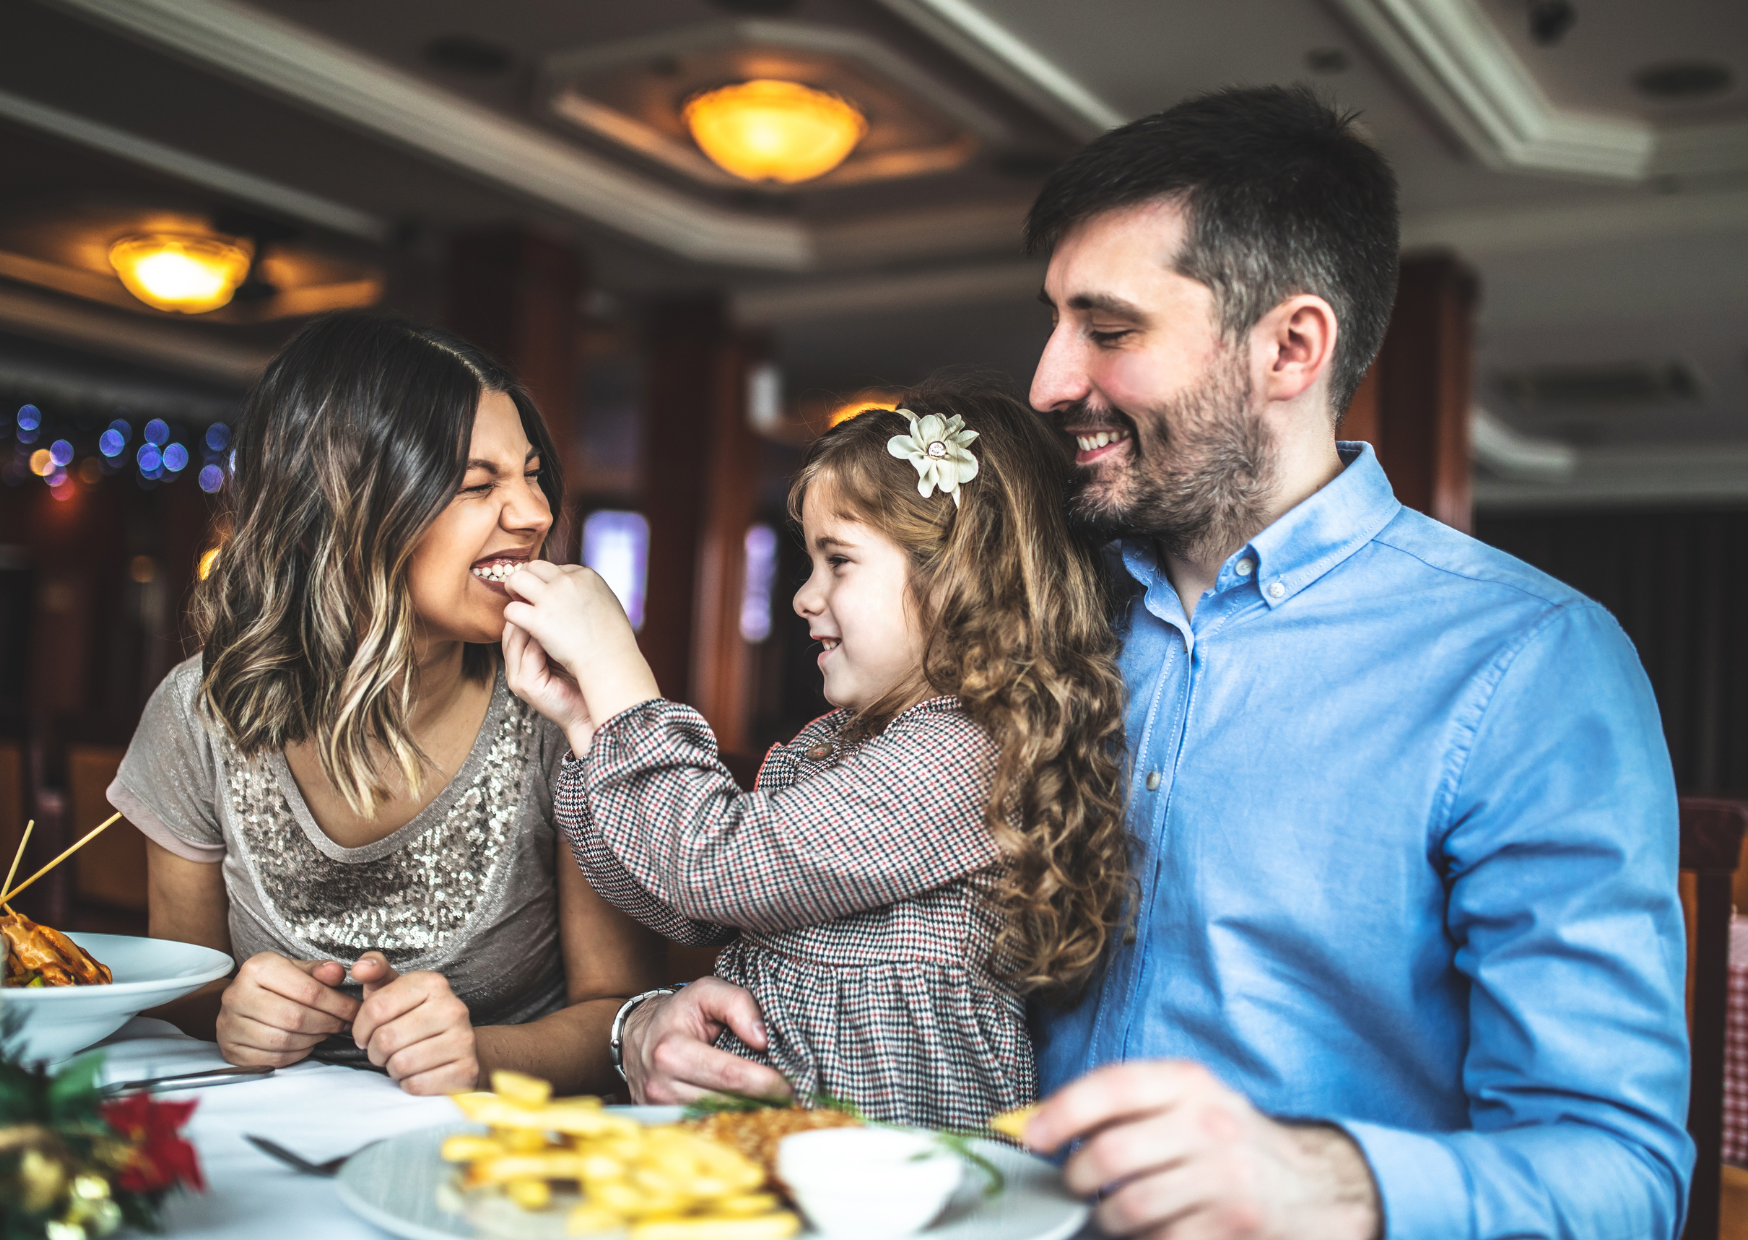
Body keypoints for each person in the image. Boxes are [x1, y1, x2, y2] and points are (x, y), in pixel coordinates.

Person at [618, 87, 1692, 1239]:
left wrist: (1320, 1181)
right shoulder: (1013, 617)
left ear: (1288, 346)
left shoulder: (1523, 665)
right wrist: (656, 1022)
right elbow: (841, 916)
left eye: (1108, 330)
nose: (1046, 381)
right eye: (1054, 321)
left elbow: (1619, 1172)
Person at [498, 383, 1131, 1128]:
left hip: (890, 1169)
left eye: (839, 562)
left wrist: (623, 683)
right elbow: (684, 908)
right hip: (784, 1144)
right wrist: (586, 729)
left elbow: (713, 868)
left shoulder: (967, 753)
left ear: (956, 577)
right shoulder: (834, 745)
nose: (804, 595)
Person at [109, 312, 662, 1096]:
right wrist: (230, 1009)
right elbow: (188, 993)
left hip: (500, 1159)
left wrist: (478, 1055)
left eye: (532, 473)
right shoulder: (201, 715)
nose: (536, 513)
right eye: (479, 484)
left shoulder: (562, 707)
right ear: (336, 513)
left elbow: (624, 1013)